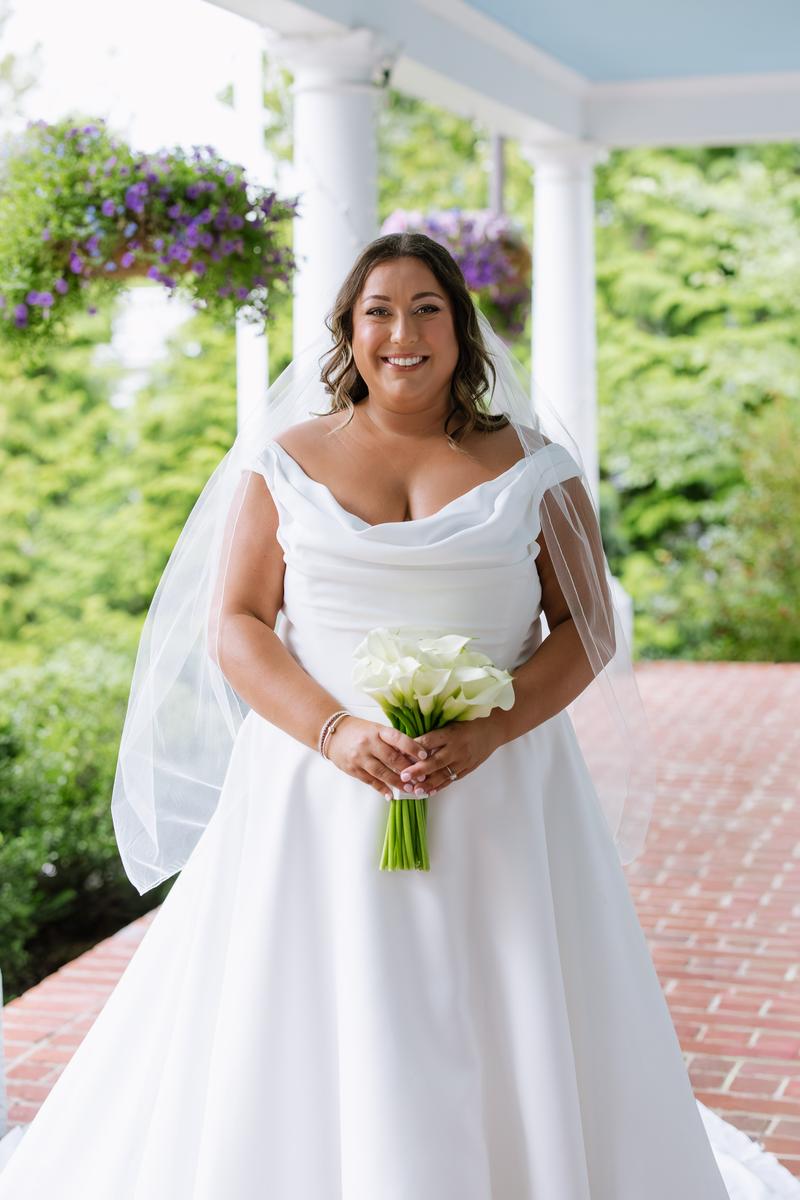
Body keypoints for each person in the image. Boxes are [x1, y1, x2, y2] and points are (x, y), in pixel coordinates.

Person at [0, 233, 794, 1198]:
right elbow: (241, 625)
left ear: (462, 330)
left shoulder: (538, 469)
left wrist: (493, 729)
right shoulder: (282, 461)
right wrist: (336, 732)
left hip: (502, 788)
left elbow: (585, 631)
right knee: (305, 1009)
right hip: (313, 788)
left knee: (506, 1002)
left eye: (427, 309)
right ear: (349, 331)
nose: (402, 332)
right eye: (379, 309)